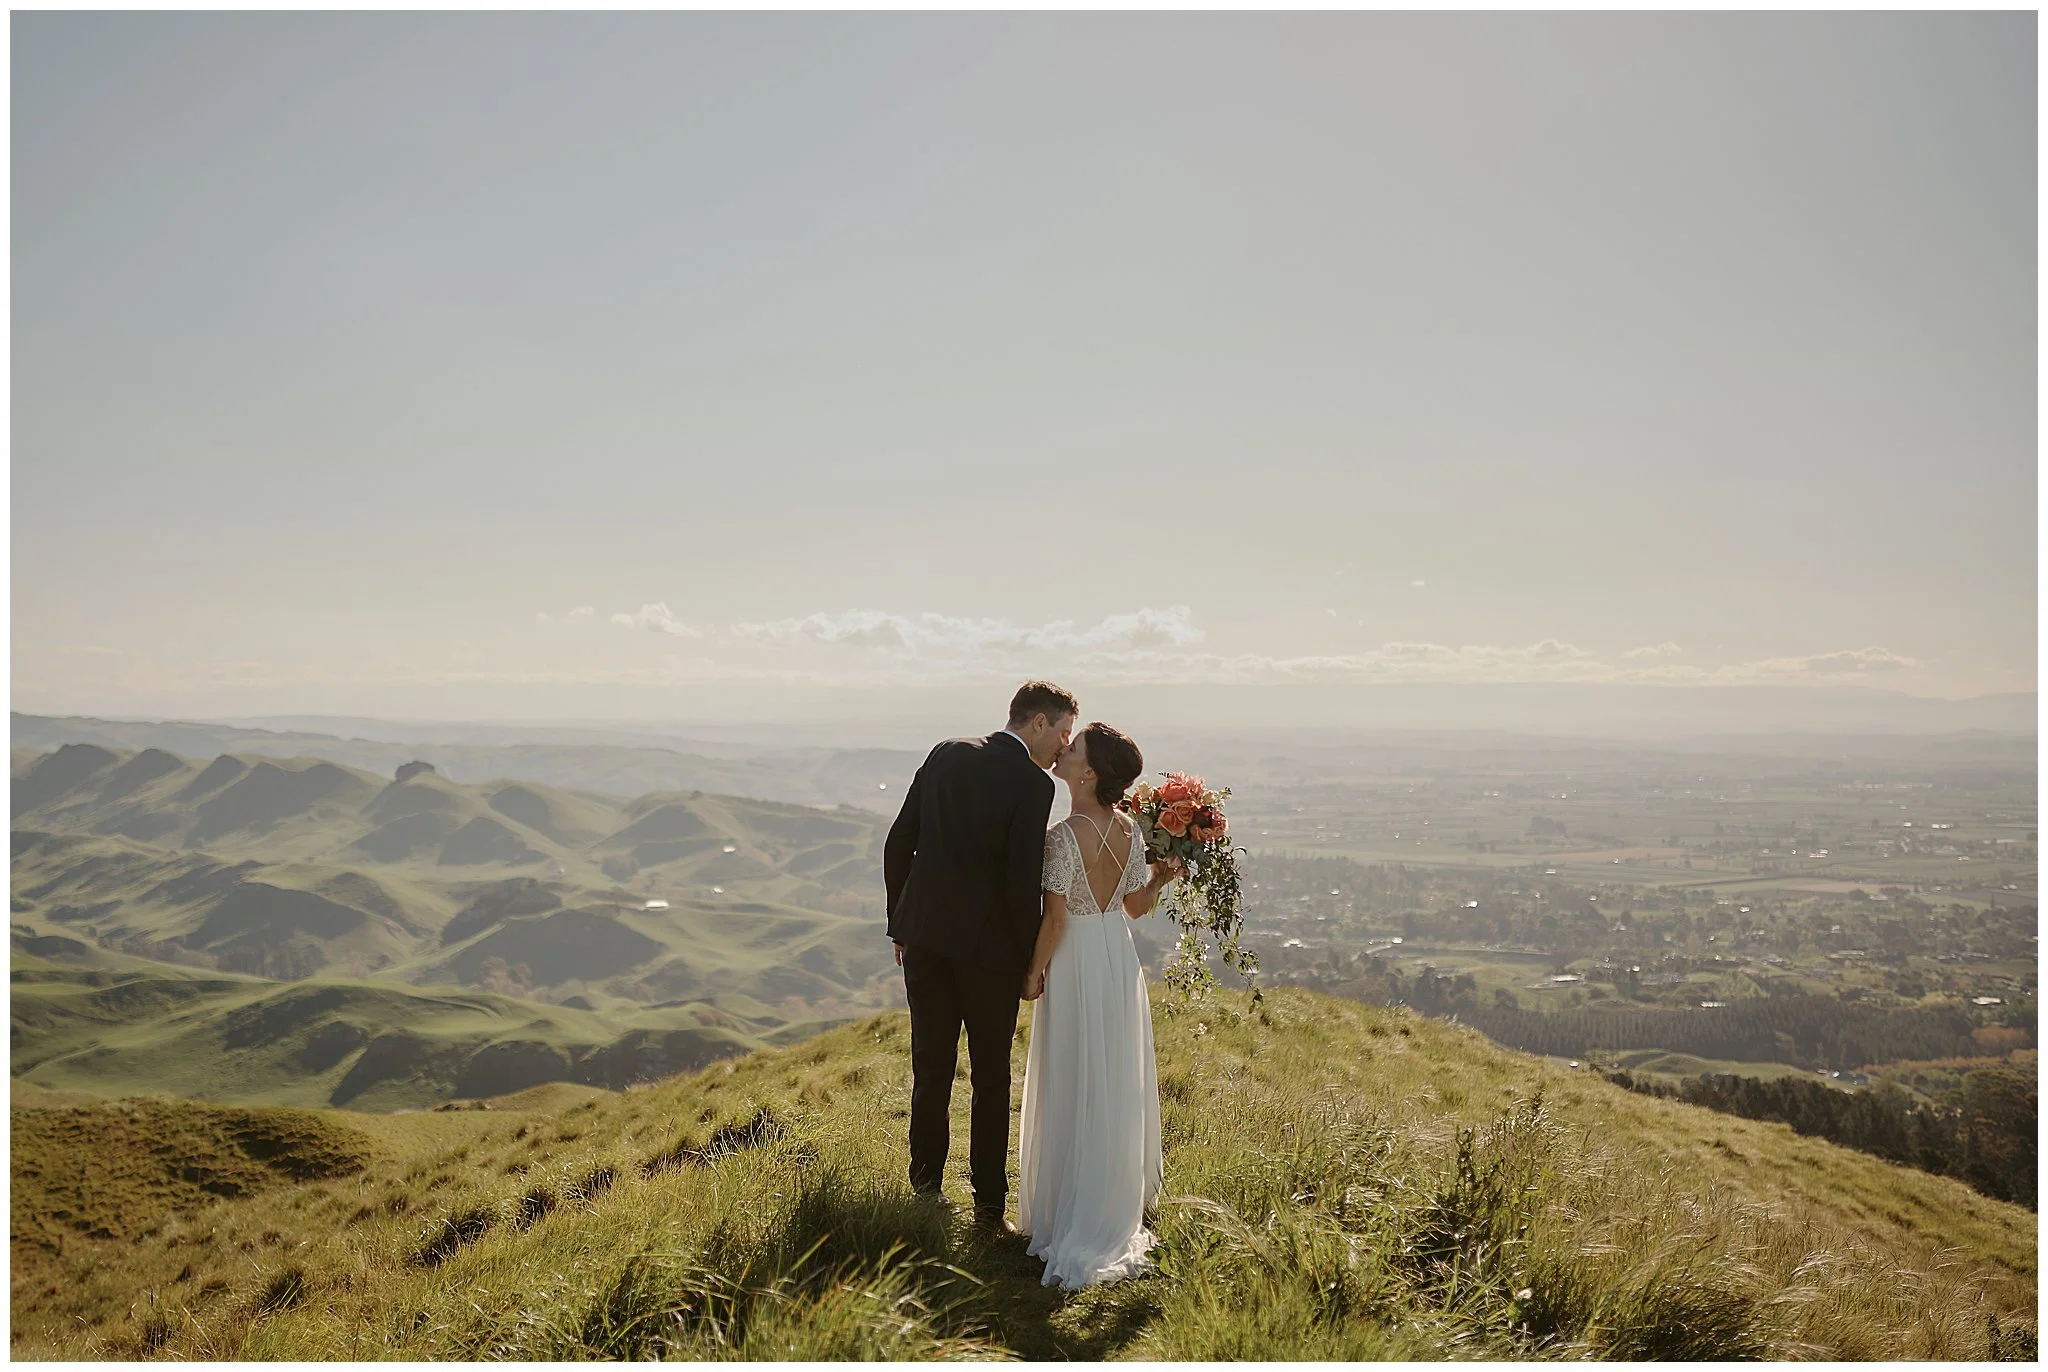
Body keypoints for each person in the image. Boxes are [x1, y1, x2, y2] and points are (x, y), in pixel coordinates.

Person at [884, 680, 1077, 1232]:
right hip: (989, 955)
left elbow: (899, 841)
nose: (1064, 746)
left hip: (924, 940)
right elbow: (1020, 885)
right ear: (1037, 723)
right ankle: (989, 1209)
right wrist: (1029, 963)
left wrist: (901, 924)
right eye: (1063, 732)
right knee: (991, 1079)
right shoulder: (1033, 785)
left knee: (931, 1069)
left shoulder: (946, 752)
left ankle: (926, 1193)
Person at [1017, 721, 1179, 1289]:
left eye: (1075, 747)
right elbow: (1134, 906)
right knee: (1111, 1077)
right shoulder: (1130, 830)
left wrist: (1032, 973)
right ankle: (1109, 1197)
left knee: (1073, 1072)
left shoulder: (1062, 837)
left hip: (1079, 959)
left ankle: (1074, 1211)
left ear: (1088, 772)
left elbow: (1055, 920)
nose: (1064, 750)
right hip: (1117, 956)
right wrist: (1160, 880)